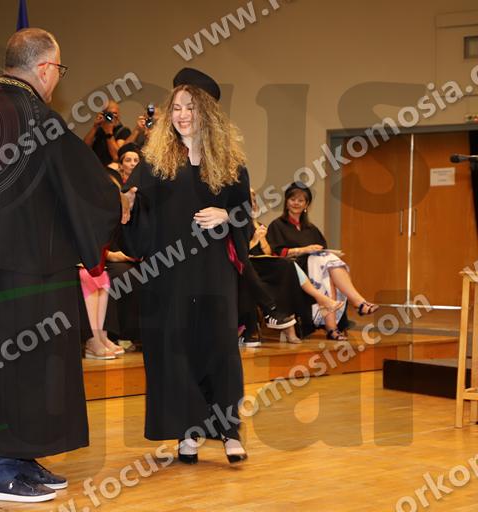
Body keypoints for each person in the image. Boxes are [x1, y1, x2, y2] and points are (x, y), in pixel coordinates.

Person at [0, 28, 124, 503]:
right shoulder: (35, 116)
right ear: (44, 68)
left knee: (4, 365)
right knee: (18, 369)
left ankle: (18, 457)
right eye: (58, 69)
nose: (56, 78)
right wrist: (119, 204)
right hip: (26, 268)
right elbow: (85, 186)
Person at [123, 67, 249, 465]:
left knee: (219, 347)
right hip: (169, 273)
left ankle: (229, 431)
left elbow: (245, 213)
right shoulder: (154, 161)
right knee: (176, 350)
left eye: (190, 108)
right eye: (176, 107)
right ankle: (188, 431)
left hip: (213, 271)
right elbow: (135, 212)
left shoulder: (230, 164)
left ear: (206, 112)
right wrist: (126, 207)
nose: (181, 115)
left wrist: (228, 216)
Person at [266, 181, 379, 341]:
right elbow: (276, 252)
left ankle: (333, 328)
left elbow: (322, 249)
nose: (296, 203)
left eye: (300, 200)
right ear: (286, 202)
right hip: (294, 270)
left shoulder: (311, 228)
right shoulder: (277, 225)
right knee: (326, 265)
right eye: (292, 199)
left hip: (317, 268)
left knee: (328, 272)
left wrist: (321, 252)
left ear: (307, 204)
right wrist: (304, 250)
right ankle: (357, 304)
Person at [246, 189, 341, 344]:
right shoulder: (238, 226)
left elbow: (268, 252)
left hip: (266, 264)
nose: (254, 205)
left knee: (291, 271)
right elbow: (240, 252)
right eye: (251, 201)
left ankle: (295, 328)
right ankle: (320, 300)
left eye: (255, 201)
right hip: (250, 266)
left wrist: (261, 239)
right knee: (288, 266)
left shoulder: (259, 224)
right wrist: (255, 240)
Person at [83, 99, 129, 165]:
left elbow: (116, 156)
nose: (112, 116)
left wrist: (109, 132)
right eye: (109, 114)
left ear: (119, 115)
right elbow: (84, 148)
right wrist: (95, 127)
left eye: (115, 113)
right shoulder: (99, 130)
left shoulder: (123, 131)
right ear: (103, 114)